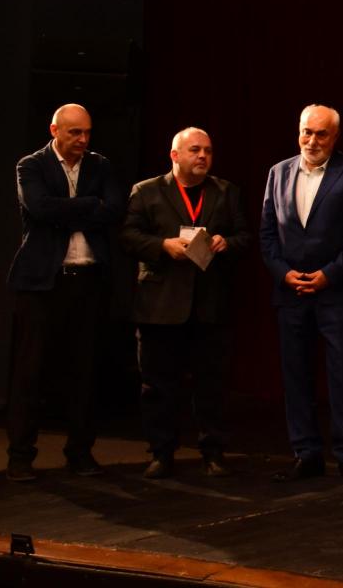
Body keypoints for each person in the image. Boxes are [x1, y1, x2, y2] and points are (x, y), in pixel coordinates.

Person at [120, 127, 252, 478]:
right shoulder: (147, 191)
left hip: (209, 304)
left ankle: (213, 452)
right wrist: (162, 246)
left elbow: (245, 237)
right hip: (161, 304)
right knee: (158, 385)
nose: (203, 156)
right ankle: (161, 453)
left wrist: (226, 242)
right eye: (195, 150)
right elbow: (128, 236)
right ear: (174, 155)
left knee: (211, 386)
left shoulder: (226, 191)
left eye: (208, 150)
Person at [6, 103, 124, 482]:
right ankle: (20, 457)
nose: (83, 139)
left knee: (84, 371)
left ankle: (80, 452)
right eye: (75, 132)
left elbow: (114, 210)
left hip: (87, 281)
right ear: (55, 130)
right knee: (30, 372)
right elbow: (39, 208)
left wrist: (70, 210)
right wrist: (89, 205)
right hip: (42, 282)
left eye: (87, 132)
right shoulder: (31, 165)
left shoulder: (100, 166)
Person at [260, 104, 343, 484]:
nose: (311, 140)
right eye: (306, 132)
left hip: (336, 292)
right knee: (296, 376)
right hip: (291, 293)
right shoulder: (278, 172)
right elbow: (267, 234)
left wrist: (329, 275)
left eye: (320, 134)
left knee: (342, 375)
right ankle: (305, 452)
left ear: (335, 137)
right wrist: (283, 274)